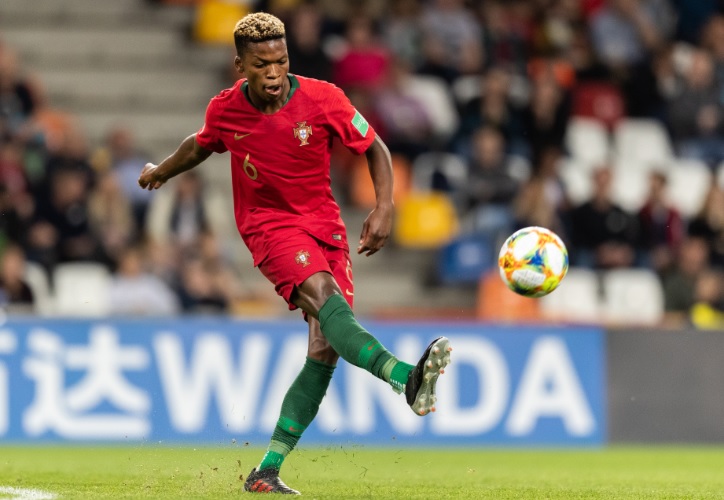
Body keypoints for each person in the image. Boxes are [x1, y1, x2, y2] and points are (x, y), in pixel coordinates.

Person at [137, 12, 452, 496]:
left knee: (325, 350)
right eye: (261, 64)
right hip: (270, 228)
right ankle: (404, 377)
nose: (273, 73)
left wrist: (385, 206)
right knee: (325, 298)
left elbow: (376, 148)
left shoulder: (324, 98)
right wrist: (162, 170)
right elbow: (200, 145)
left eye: (281, 61)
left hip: (326, 227)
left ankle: (266, 470)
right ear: (240, 66)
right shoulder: (226, 110)